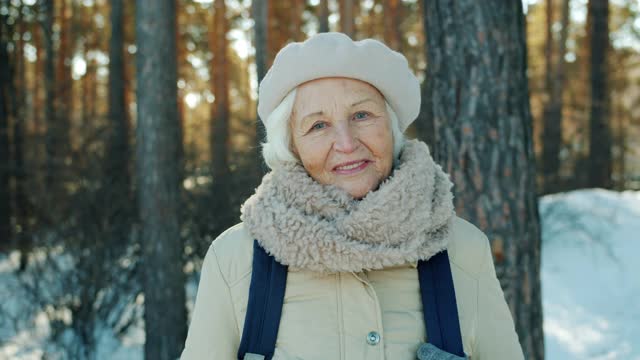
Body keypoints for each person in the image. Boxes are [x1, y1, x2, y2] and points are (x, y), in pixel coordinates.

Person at [180, 32, 524, 360]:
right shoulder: (234, 260)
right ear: (292, 146)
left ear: (390, 126)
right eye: (318, 125)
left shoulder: (463, 250)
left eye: (361, 115)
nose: (345, 143)